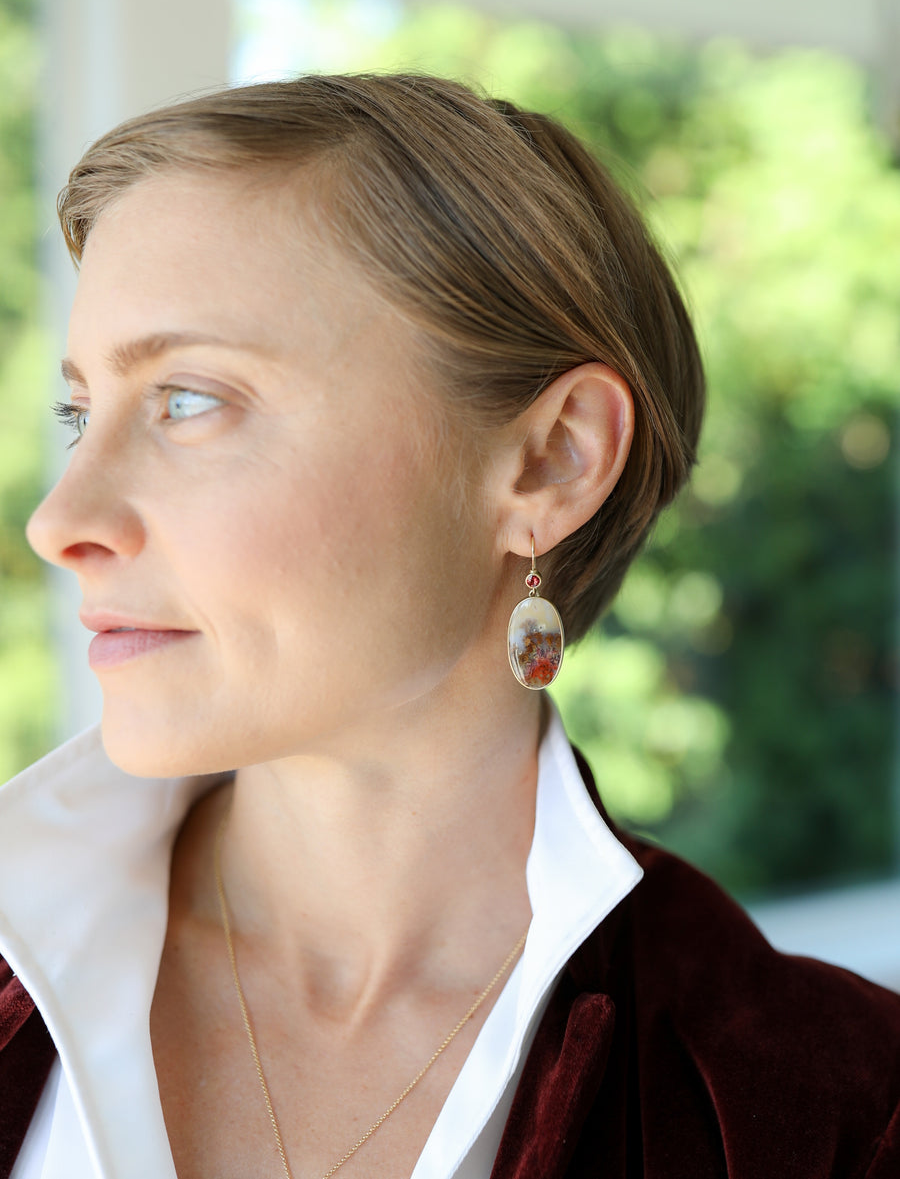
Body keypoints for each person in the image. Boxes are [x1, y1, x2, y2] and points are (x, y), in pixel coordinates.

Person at [0, 72, 898, 1179]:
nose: (61, 521)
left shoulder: (837, 1117)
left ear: (550, 459)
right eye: (80, 413)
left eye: (190, 399)